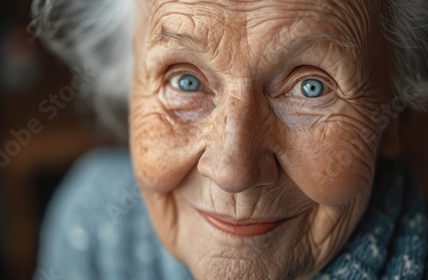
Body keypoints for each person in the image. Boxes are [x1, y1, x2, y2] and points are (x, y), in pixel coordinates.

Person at [30, 0, 428, 279]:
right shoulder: (96, 228)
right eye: (186, 82)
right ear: (129, 91)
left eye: (310, 87)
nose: (232, 170)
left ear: (396, 115)